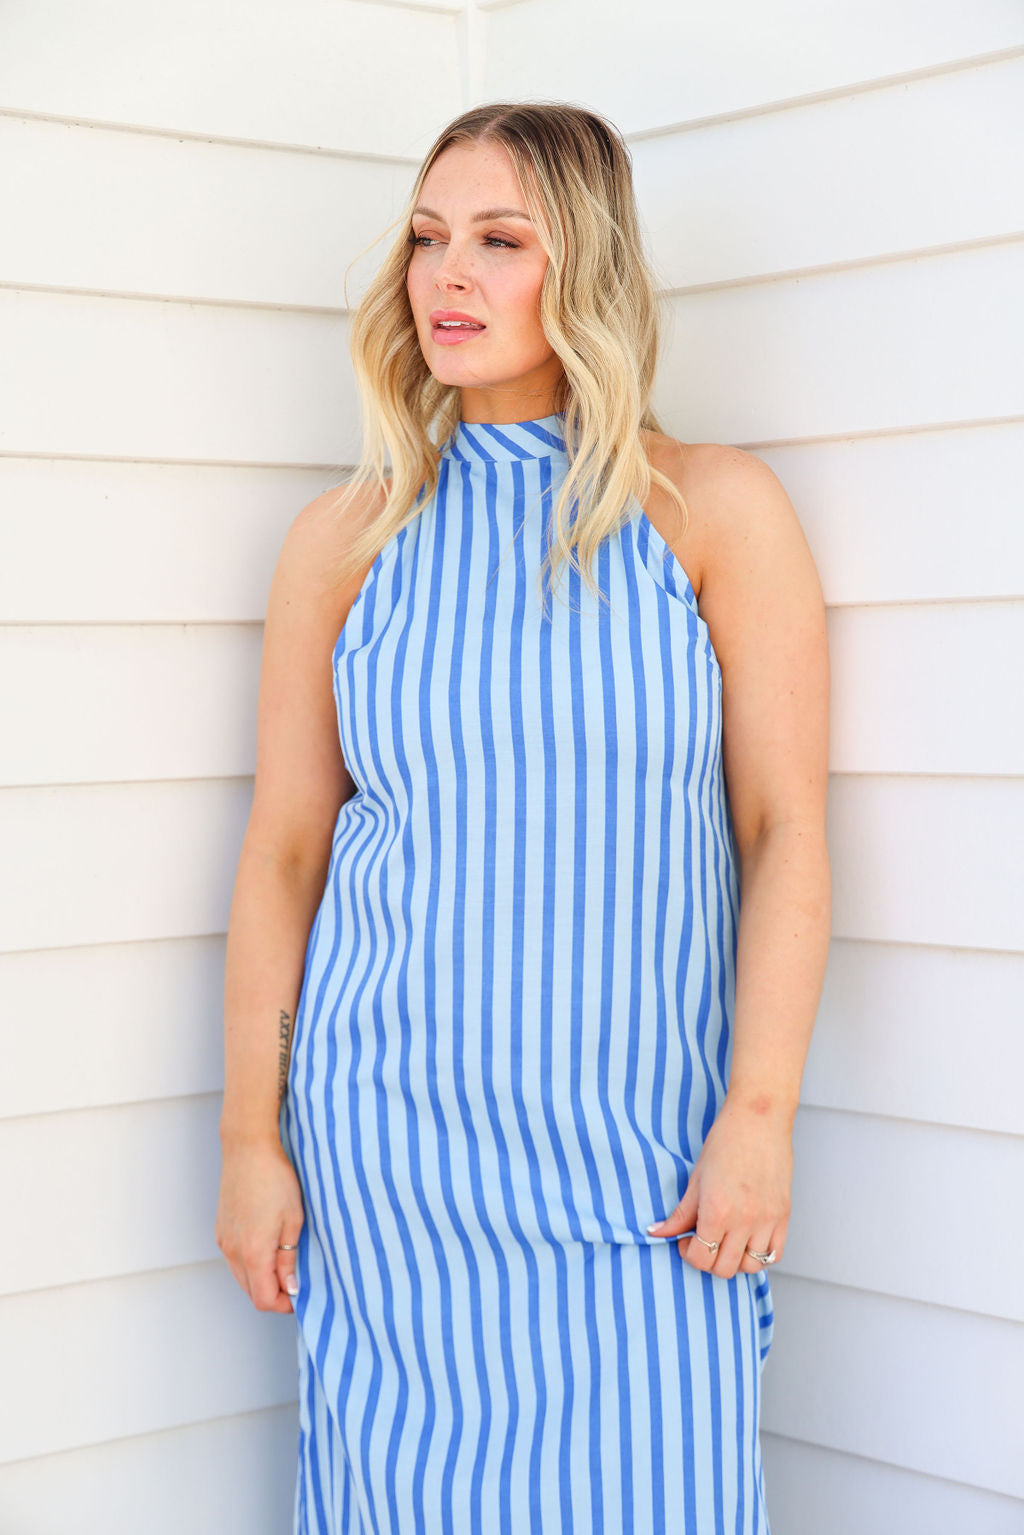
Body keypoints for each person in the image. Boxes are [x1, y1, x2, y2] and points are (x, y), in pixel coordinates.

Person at [216, 100, 831, 1534]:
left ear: (588, 265)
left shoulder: (710, 512)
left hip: (641, 1166)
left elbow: (784, 830)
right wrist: (250, 1139)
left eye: (501, 240)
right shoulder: (344, 542)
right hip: (392, 1168)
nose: (449, 275)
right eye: (429, 238)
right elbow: (287, 855)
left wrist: (760, 1115)